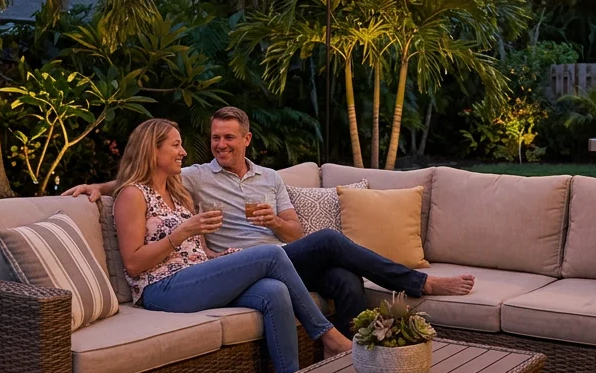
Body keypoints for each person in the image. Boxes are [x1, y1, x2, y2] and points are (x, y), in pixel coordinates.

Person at [66, 106, 474, 336]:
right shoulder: (194, 177)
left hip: (284, 253)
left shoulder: (272, 178)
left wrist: (276, 224)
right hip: (239, 263)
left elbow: (296, 232)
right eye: (214, 138)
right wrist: (97, 187)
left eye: (229, 138)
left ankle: (351, 361)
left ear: (246, 139)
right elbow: (140, 177)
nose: (220, 145)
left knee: (343, 279)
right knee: (331, 245)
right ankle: (417, 283)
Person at [105, 117, 352, 373]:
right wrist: (183, 232)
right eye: (176, 145)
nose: (183, 152)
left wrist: (218, 256)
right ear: (152, 150)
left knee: (274, 290)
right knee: (271, 253)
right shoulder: (133, 195)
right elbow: (133, 264)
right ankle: (329, 336)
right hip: (161, 287)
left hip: (195, 275)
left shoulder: (178, 192)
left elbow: (198, 251)